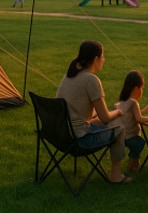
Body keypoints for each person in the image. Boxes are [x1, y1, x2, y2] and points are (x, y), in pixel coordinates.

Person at [56, 40, 131, 184]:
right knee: (120, 128)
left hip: (60, 134)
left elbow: (74, 108)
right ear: (96, 59)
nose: (104, 59)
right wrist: (118, 112)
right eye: (103, 56)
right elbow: (105, 118)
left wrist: (91, 118)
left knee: (100, 119)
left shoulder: (69, 75)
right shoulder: (91, 80)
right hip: (79, 139)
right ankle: (116, 176)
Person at [115, 70, 148, 173]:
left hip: (119, 137)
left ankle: (135, 164)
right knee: (139, 143)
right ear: (136, 88)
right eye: (141, 88)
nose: (142, 91)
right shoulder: (133, 103)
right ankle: (132, 166)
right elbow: (139, 119)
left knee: (136, 146)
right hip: (130, 137)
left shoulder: (120, 102)